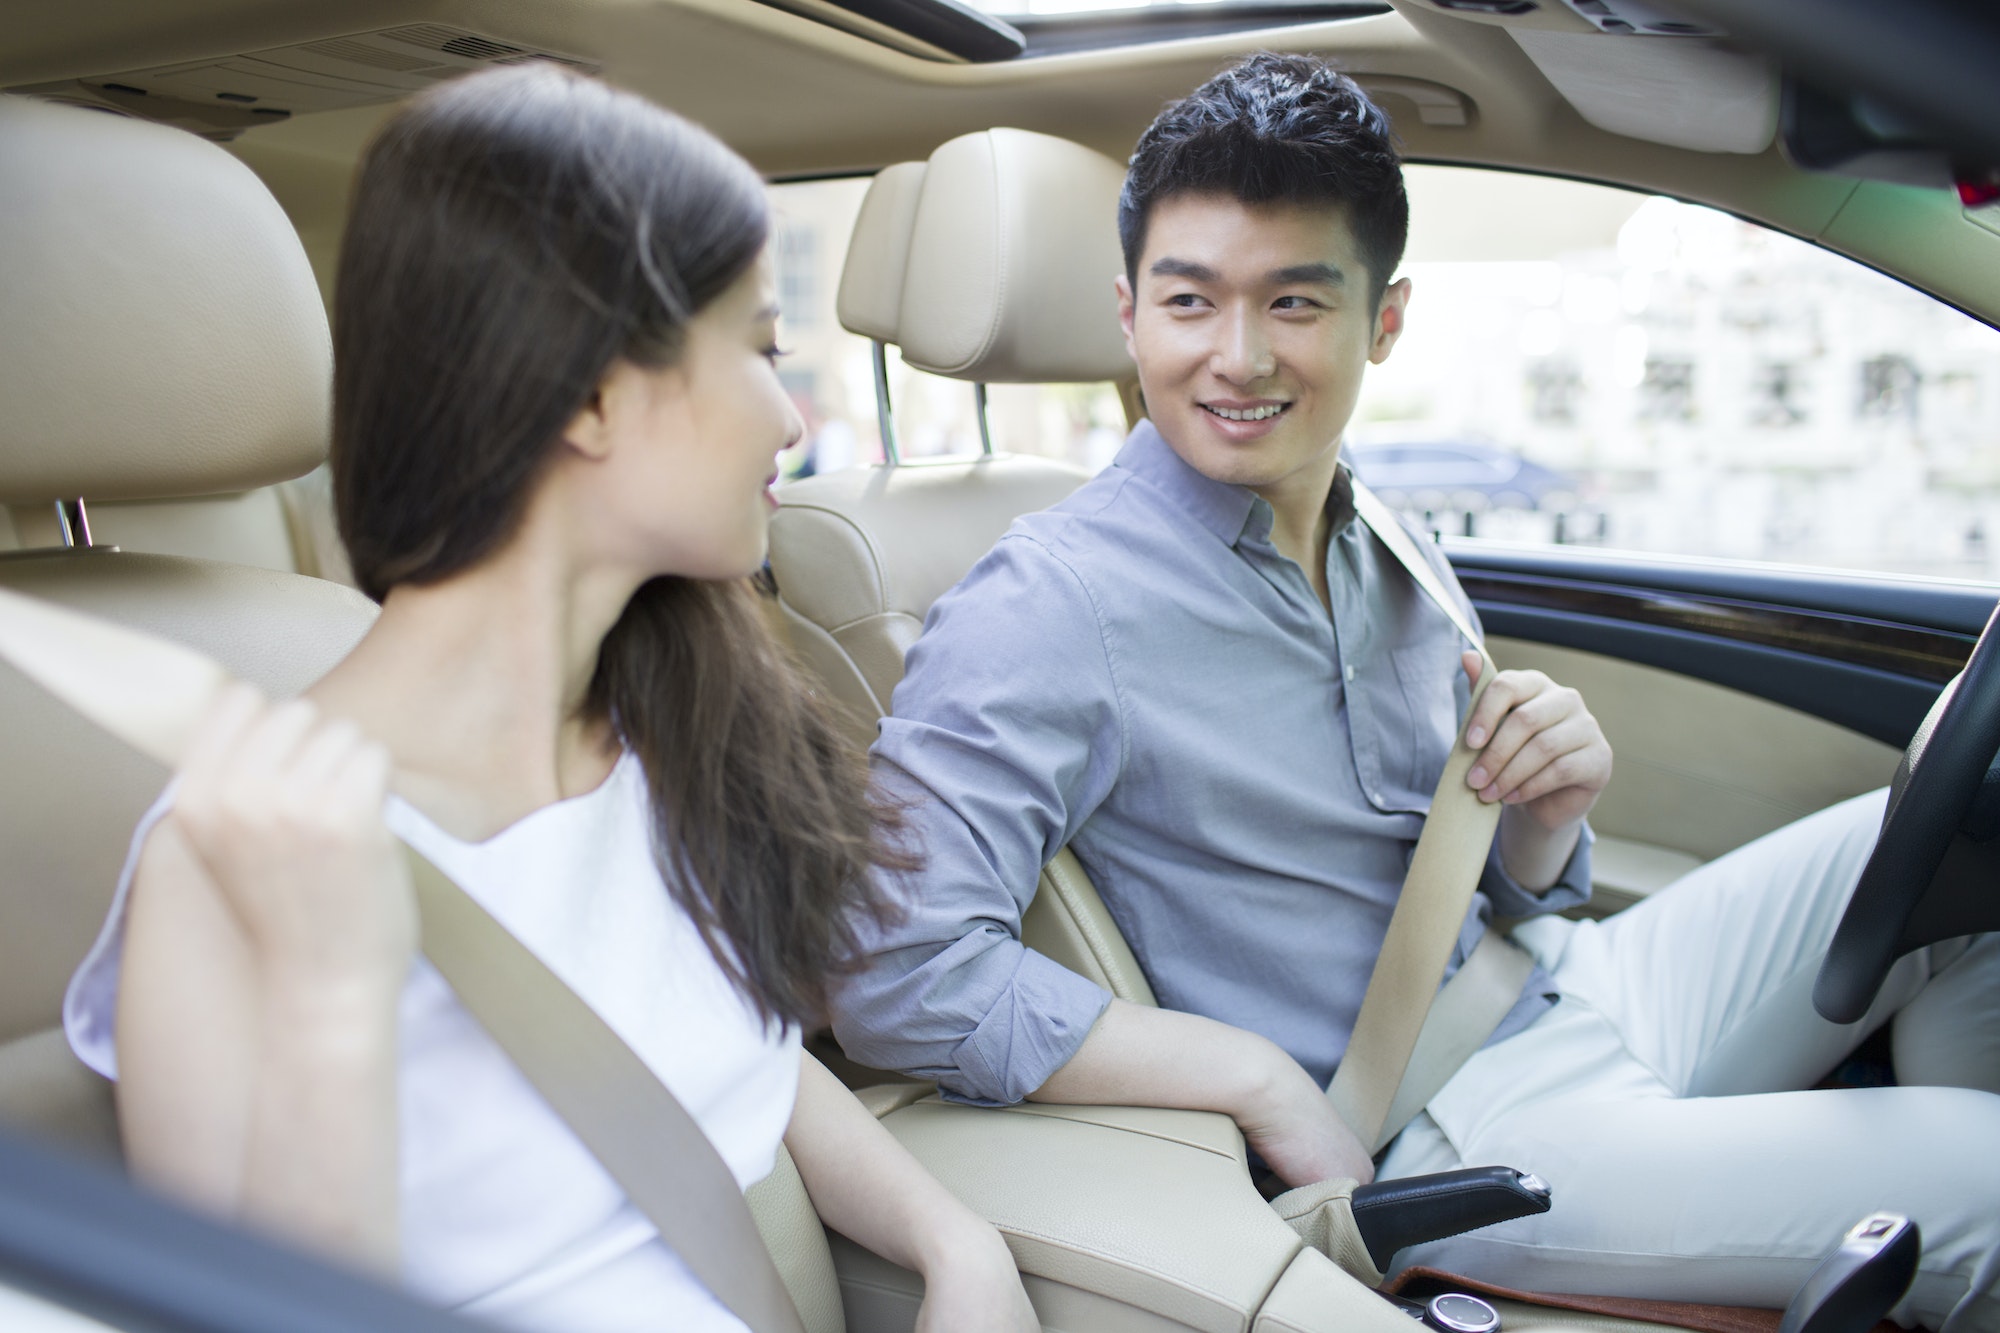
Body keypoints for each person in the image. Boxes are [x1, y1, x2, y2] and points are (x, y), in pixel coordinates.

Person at [829, 53, 2000, 1330]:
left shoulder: (1374, 527)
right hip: (1446, 1126)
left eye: (1292, 302)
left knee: (1971, 850)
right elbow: (890, 966)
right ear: (1127, 314)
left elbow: (1465, 871)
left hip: (1565, 975)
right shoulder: (1047, 604)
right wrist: (1254, 1079)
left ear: (1381, 321)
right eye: (1188, 302)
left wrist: (1547, 823)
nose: (1234, 357)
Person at [61, 64, 1038, 1333]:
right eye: (754, 351)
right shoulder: (236, 857)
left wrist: (956, 1245)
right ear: (587, 394)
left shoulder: (660, 735)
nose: (790, 420)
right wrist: (330, 996)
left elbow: (717, 1055)